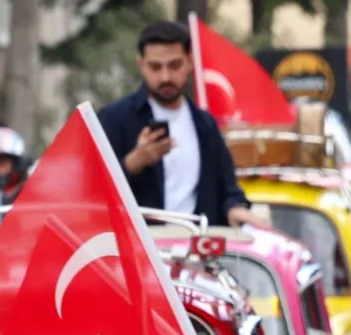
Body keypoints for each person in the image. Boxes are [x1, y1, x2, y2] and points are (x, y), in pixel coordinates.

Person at [96, 20, 256, 228]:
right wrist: (133, 162)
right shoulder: (114, 119)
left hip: (197, 244)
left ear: (190, 62)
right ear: (141, 65)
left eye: (174, 65)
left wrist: (235, 209)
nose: (166, 77)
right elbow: (91, 191)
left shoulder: (205, 125)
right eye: (155, 67)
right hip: (140, 244)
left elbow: (227, 189)